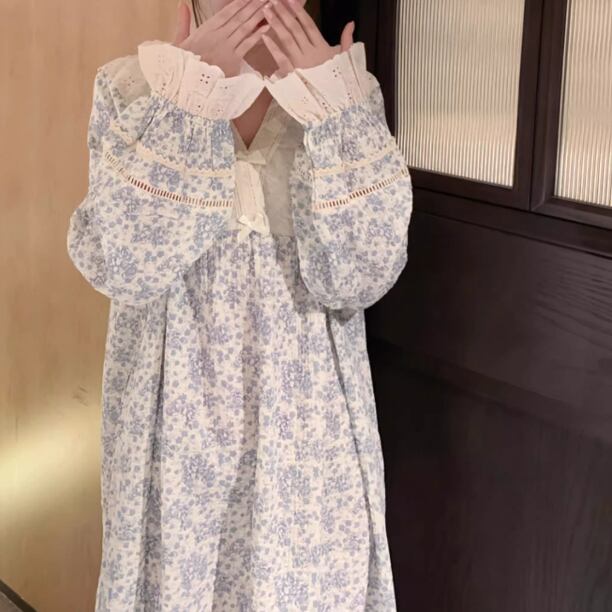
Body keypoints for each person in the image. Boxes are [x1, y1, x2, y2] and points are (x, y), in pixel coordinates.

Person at [66, 0, 413, 609]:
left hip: (305, 422)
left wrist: (337, 109)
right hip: (174, 417)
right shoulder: (133, 86)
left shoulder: (344, 91)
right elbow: (123, 265)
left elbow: (361, 277)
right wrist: (187, 96)